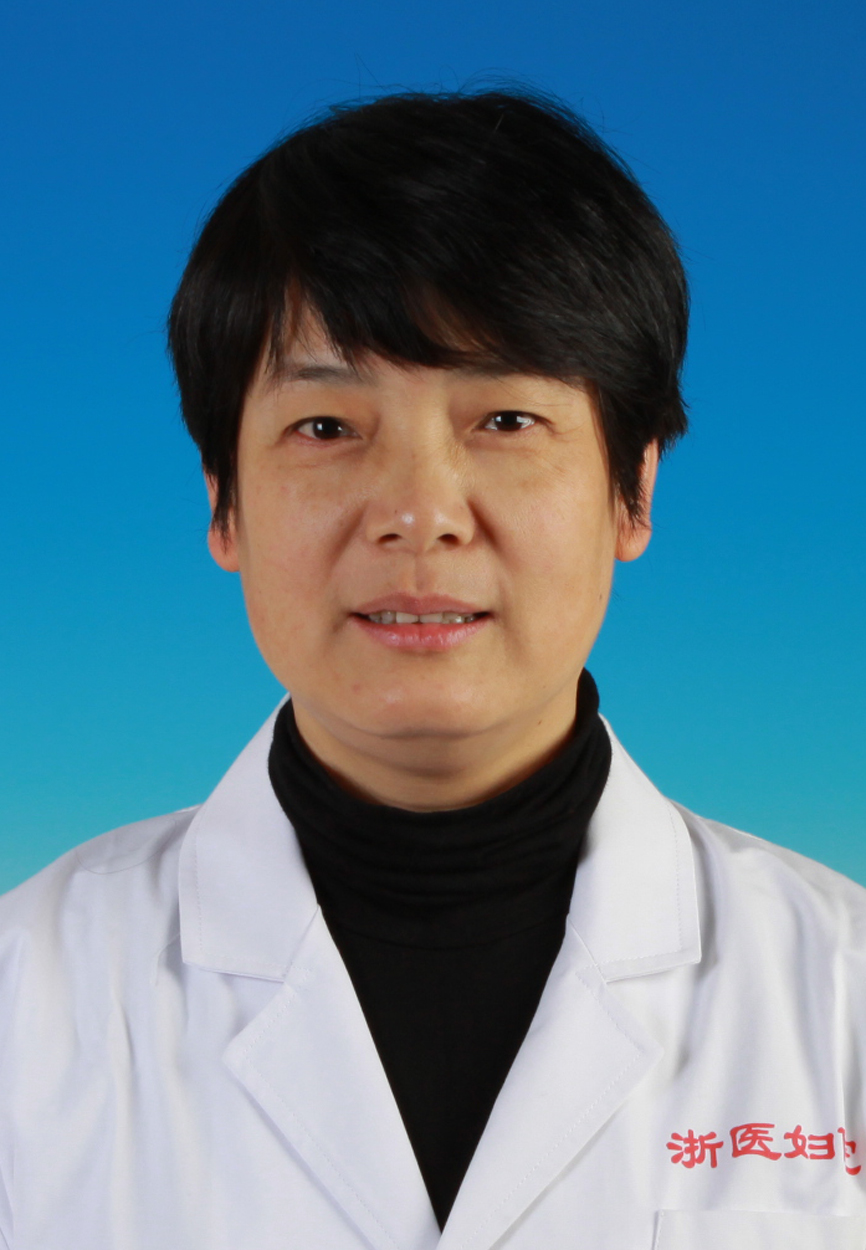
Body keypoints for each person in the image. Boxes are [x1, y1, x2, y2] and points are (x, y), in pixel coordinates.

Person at [1, 85, 864, 1250]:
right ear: (222, 501)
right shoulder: (29, 998)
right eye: (325, 427)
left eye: (503, 420)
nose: (418, 513)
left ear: (631, 487)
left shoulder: (840, 991)